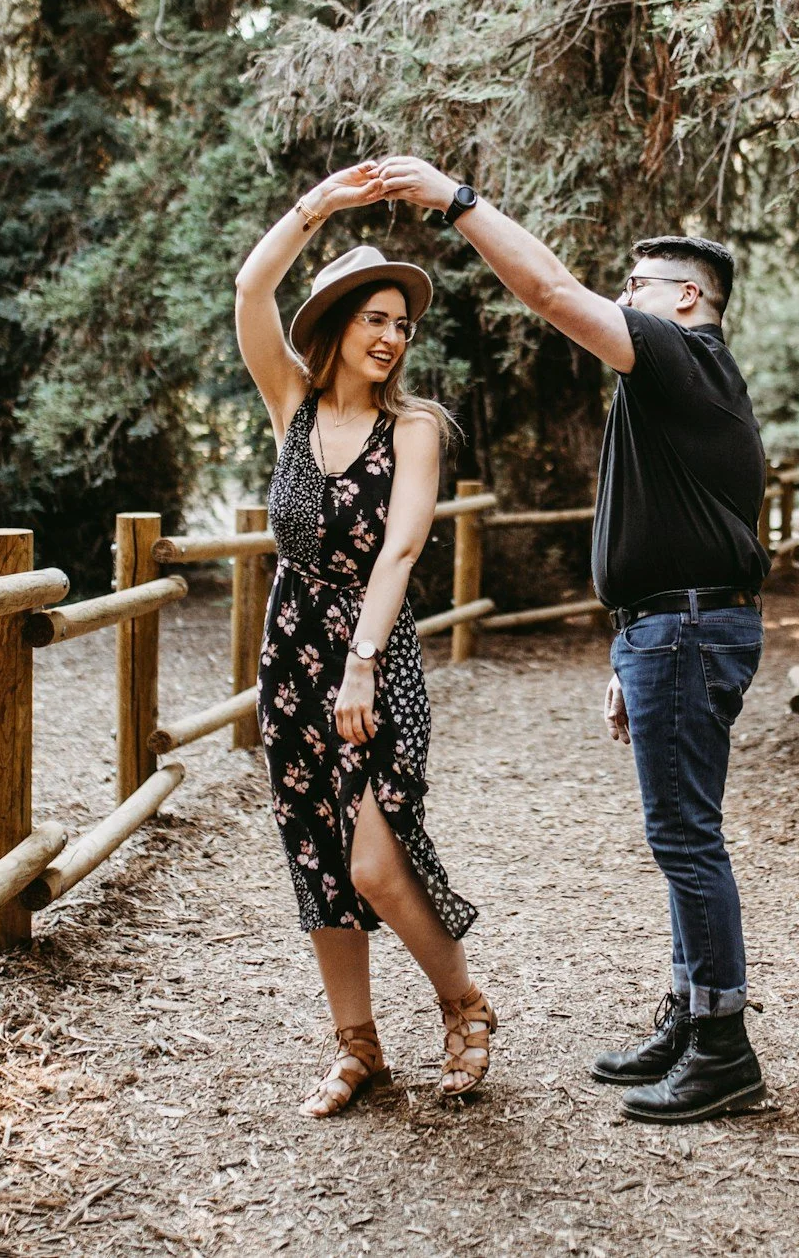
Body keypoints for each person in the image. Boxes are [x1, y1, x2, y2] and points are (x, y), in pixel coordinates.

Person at [374, 155, 771, 1125]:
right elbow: (668, 527)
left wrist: (456, 202)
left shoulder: (686, 357)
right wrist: (625, 646)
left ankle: (724, 1049)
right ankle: (689, 1015)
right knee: (682, 833)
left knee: (686, 836)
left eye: (636, 289)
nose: (620, 302)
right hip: (667, 626)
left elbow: (550, 290)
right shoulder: (680, 382)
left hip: (682, 628)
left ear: (686, 299)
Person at [233, 164, 493, 1117]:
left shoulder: (415, 427)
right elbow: (250, 288)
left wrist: (362, 663)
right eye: (375, 318)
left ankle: (464, 1006)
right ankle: (358, 1047)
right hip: (288, 651)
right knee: (315, 851)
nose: (391, 337)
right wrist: (324, 206)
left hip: (370, 655)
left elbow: (402, 547)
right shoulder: (291, 406)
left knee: (375, 860)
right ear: (337, 325)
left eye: (402, 323)